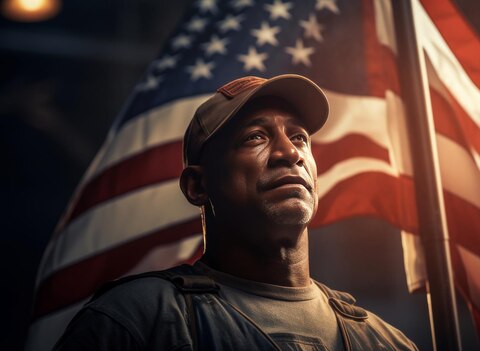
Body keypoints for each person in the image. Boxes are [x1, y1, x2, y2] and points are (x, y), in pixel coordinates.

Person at [53, 74, 418, 351]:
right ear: (197, 187)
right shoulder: (135, 321)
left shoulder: (385, 341)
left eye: (300, 137)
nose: (289, 153)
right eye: (255, 137)